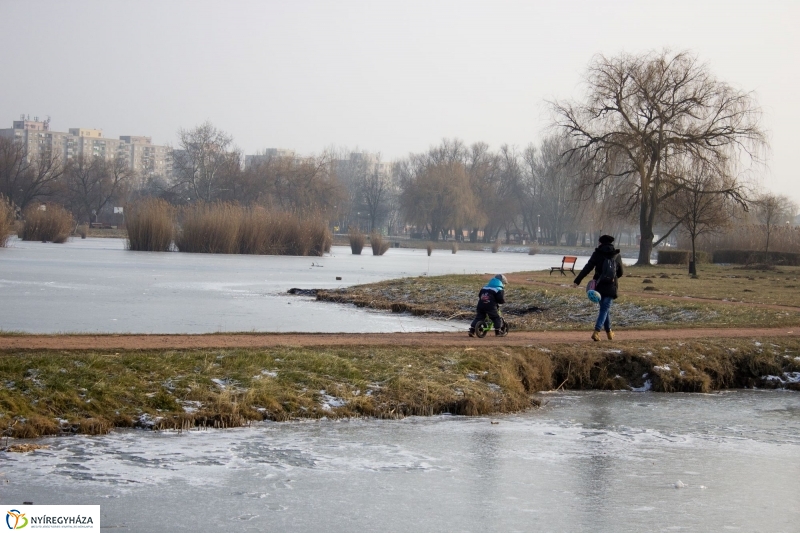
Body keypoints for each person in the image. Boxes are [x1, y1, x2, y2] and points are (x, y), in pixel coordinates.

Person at [572, 235, 624, 341]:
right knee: (605, 309)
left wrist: (577, 280)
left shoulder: (597, 254)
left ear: (601, 243)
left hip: (599, 285)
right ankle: (597, 332)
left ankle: (608, 332)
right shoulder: (617, 255)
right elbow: (620, 272)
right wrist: (612, 277)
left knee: (604, 309)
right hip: (611, 285)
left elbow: (588, 268)